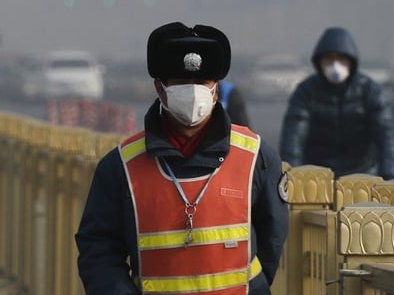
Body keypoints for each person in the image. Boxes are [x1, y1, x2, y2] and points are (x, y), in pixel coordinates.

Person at [76, 22, 288, 294]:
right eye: (181, 83)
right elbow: (99, 251)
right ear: (160, 88)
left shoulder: (256, 157)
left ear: (215, 89)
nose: (193, 91)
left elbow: (272, 240)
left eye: (202, 82)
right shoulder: (121, 167)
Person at [279, 27, 394, 179]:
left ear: (351, 61)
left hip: (362, 175)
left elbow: (386, 135)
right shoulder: (306, 92)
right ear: (319, 61)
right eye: (329, 59)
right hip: (318, 178)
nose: (335, 65)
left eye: (341, 59)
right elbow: (294, 136)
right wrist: (291, 175)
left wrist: (389, 174)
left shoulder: (369, 91)